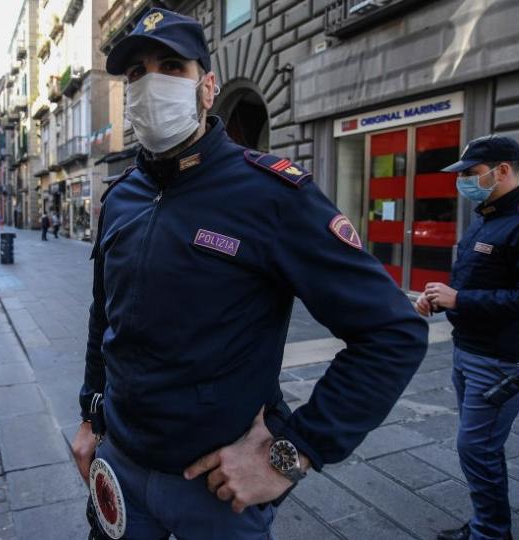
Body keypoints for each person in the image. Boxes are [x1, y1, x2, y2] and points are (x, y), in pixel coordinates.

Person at [72, 9, 429, 540]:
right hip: (119, 467)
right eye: (137, 74)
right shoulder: (121, 197)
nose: (152, 84)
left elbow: (393, 332)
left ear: (207, 86)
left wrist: (292, 451)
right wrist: (90, 413)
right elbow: (106, 316)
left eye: (172, 66)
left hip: (215, 491)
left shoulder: (271, 196)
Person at [416, 136, 519, 540]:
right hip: (471, 352)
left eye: (469, 173)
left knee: (476, 450)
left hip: (502, 361)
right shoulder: (487, 218)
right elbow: (480, 281)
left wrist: (460, 298)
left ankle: (491, 533)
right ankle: (488, 525)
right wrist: (442, 300)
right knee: (479, 448)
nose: (462, 181)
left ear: (502, 171)